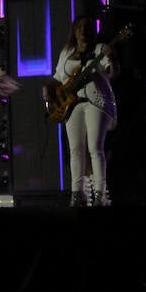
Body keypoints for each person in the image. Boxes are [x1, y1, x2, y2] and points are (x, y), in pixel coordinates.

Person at [53, 17, 117, 207]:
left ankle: (100, 194)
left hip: (95, 102)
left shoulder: (99, 49)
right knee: (75, 150)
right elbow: (58, 77)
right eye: (79, 27)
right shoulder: (67, 52)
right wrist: (49, 90)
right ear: (74, 31)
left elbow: (113, 73)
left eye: (86, 28)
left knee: (95, 148)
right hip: (72, 105)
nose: (82, 31)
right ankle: (77, 194)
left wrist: (111, 59)